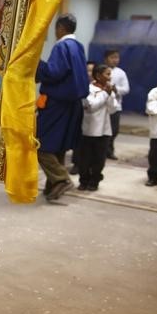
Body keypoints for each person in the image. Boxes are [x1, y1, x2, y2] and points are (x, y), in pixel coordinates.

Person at [35, 13, 90, 201]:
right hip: (73, 105)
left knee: (39, 143)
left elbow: (53, 72)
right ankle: (52, 188)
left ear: (60, 28)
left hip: (57, 103)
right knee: (57, 146)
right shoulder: (78, 46)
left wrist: (34, 63)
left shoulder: (62, 46)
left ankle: (60, 179)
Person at [78, 64, 117, 191]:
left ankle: (94, 181)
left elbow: (112, 109)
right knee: (85, 158)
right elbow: (91, 106)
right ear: (98, 75)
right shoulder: (88, 89)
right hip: (88, 130)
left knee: (99, 159)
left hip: (104, 131)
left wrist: (110, 95)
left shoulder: (108, 89)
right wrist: (105, 94)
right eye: (107, 74)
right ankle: (84, 180)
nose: (109, 77)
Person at [69, 60, 96, 176]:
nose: (89, 73)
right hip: (79, 116)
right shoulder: (78, 83)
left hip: (93, 120)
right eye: (87, 70)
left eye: (92, 71)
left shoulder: (98, 86)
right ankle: (76, 164)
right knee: (78, 141)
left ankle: (89, 165)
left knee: (90, 144)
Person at [103, 49, 130, 160]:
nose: (115, 60)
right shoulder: (100, 70)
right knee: (102, 130)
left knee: (114, 130)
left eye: (117, 58)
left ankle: (109, 150)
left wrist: (116, 89)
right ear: (106, 59)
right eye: (112, 57)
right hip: (102, 105)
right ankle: (103, 151)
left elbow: (126, 89)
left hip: (116, 106)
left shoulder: (121, 73)